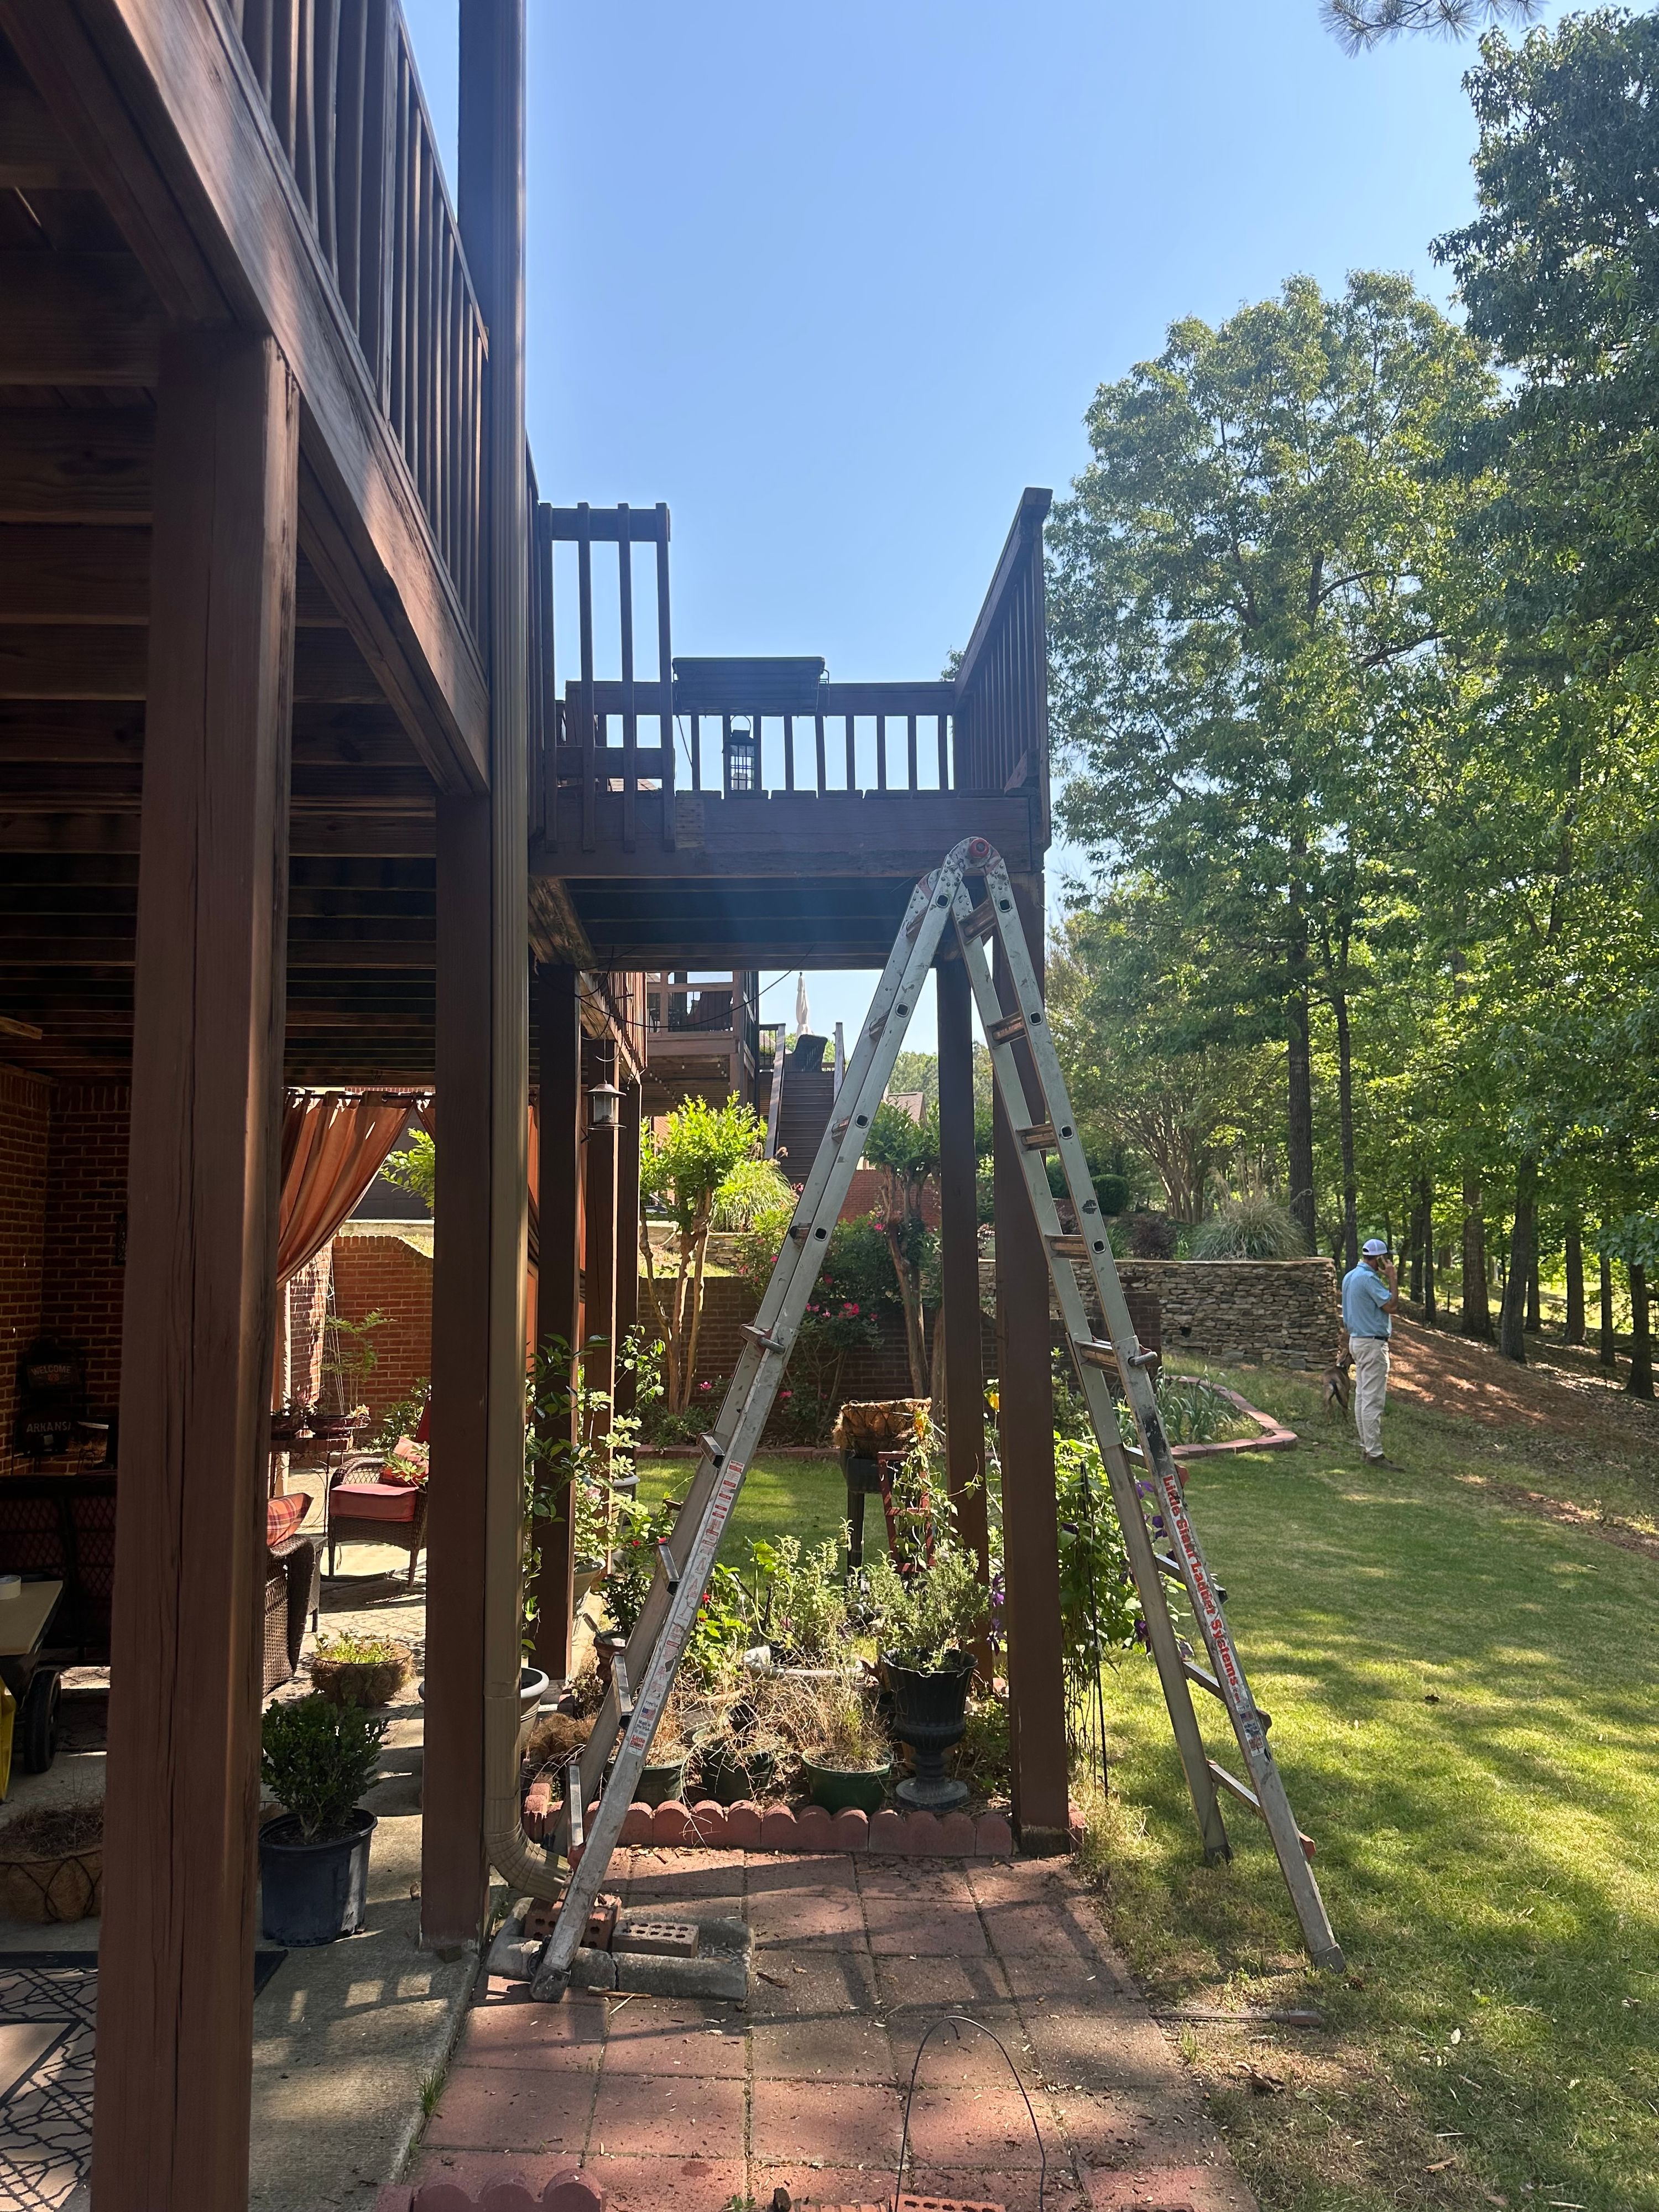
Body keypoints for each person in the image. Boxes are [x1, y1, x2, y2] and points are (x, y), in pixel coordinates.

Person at [1342, 1237, 1398, 1465]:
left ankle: (1367, 1448)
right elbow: (1392, 1306)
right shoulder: (1368, 1279)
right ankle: (1374, 1454)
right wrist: (1393, 1279)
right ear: (1380, 1259)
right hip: (1372, 1344)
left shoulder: (1350, 1277)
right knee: (1372, 1401)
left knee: (1362, 1398)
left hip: (1357, 1341)